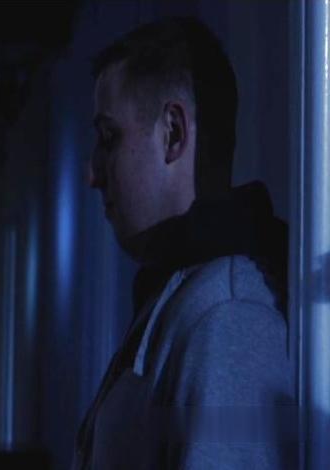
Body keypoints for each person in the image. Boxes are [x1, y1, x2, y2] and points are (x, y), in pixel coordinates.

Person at [74, 17, 296, 469]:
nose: (92, 174)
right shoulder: (187, 293)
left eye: (109, 138)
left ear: (173, 133)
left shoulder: (229, 314)